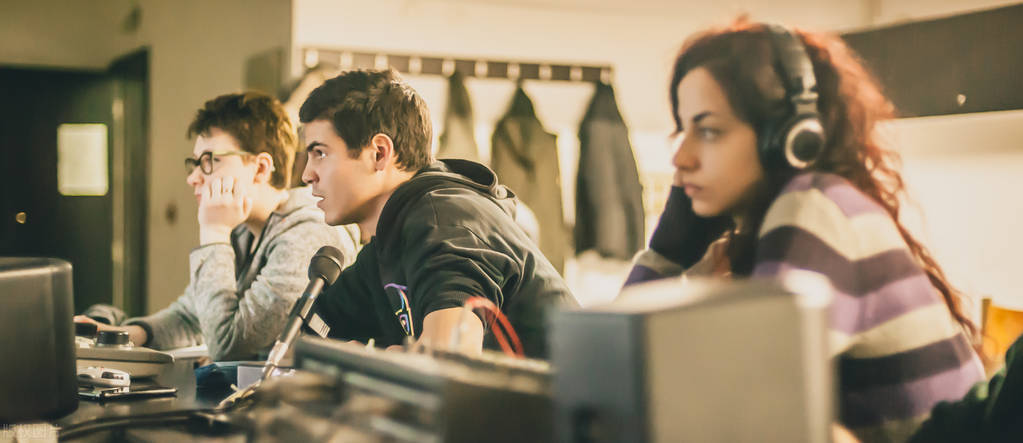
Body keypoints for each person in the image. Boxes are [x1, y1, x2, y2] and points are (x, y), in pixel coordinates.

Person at [623, 21, 984, 442]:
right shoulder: (792, 216)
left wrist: (664, 262)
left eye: (709, 131)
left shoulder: (812, 209)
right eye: (682, 130)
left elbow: (745, 412)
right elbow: (615, 376)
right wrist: (665, 254)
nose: (681, 157)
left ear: (789, 139)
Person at [298, 69, 578, 359]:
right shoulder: (386, 249)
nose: (308, 174)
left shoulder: (443, 222)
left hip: (577, 403)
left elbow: (448, 361)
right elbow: (309, 334)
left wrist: (369, 362)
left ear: (379, 153)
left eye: (320, 153)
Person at [76, 92, 356, 361]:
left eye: (211, 161)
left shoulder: (309, 234)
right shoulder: (243, 230)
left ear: (260, 168)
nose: (194, 178)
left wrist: (214, 234)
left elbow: (229, 345)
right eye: (195, 163)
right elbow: (191, 315)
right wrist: (119, 336)